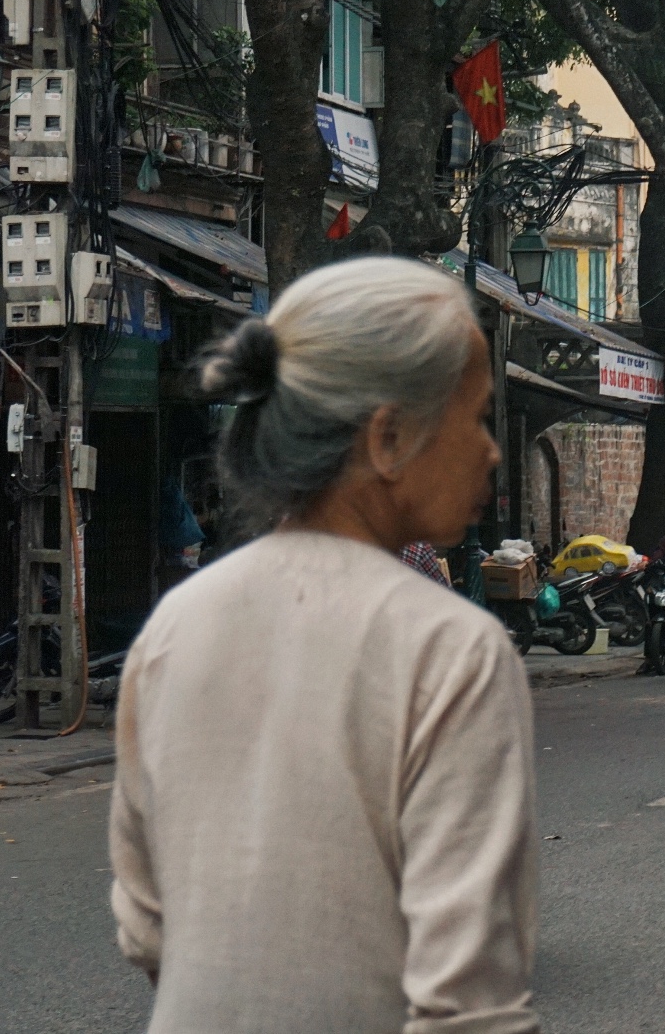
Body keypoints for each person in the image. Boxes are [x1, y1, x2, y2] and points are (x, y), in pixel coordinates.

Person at [109, 257, 541, 1033]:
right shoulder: (452, 648)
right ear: (388, 436)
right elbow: (467, 1000)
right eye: (474, 417)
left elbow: (147, 929)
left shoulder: (176, 625)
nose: (492, 449)